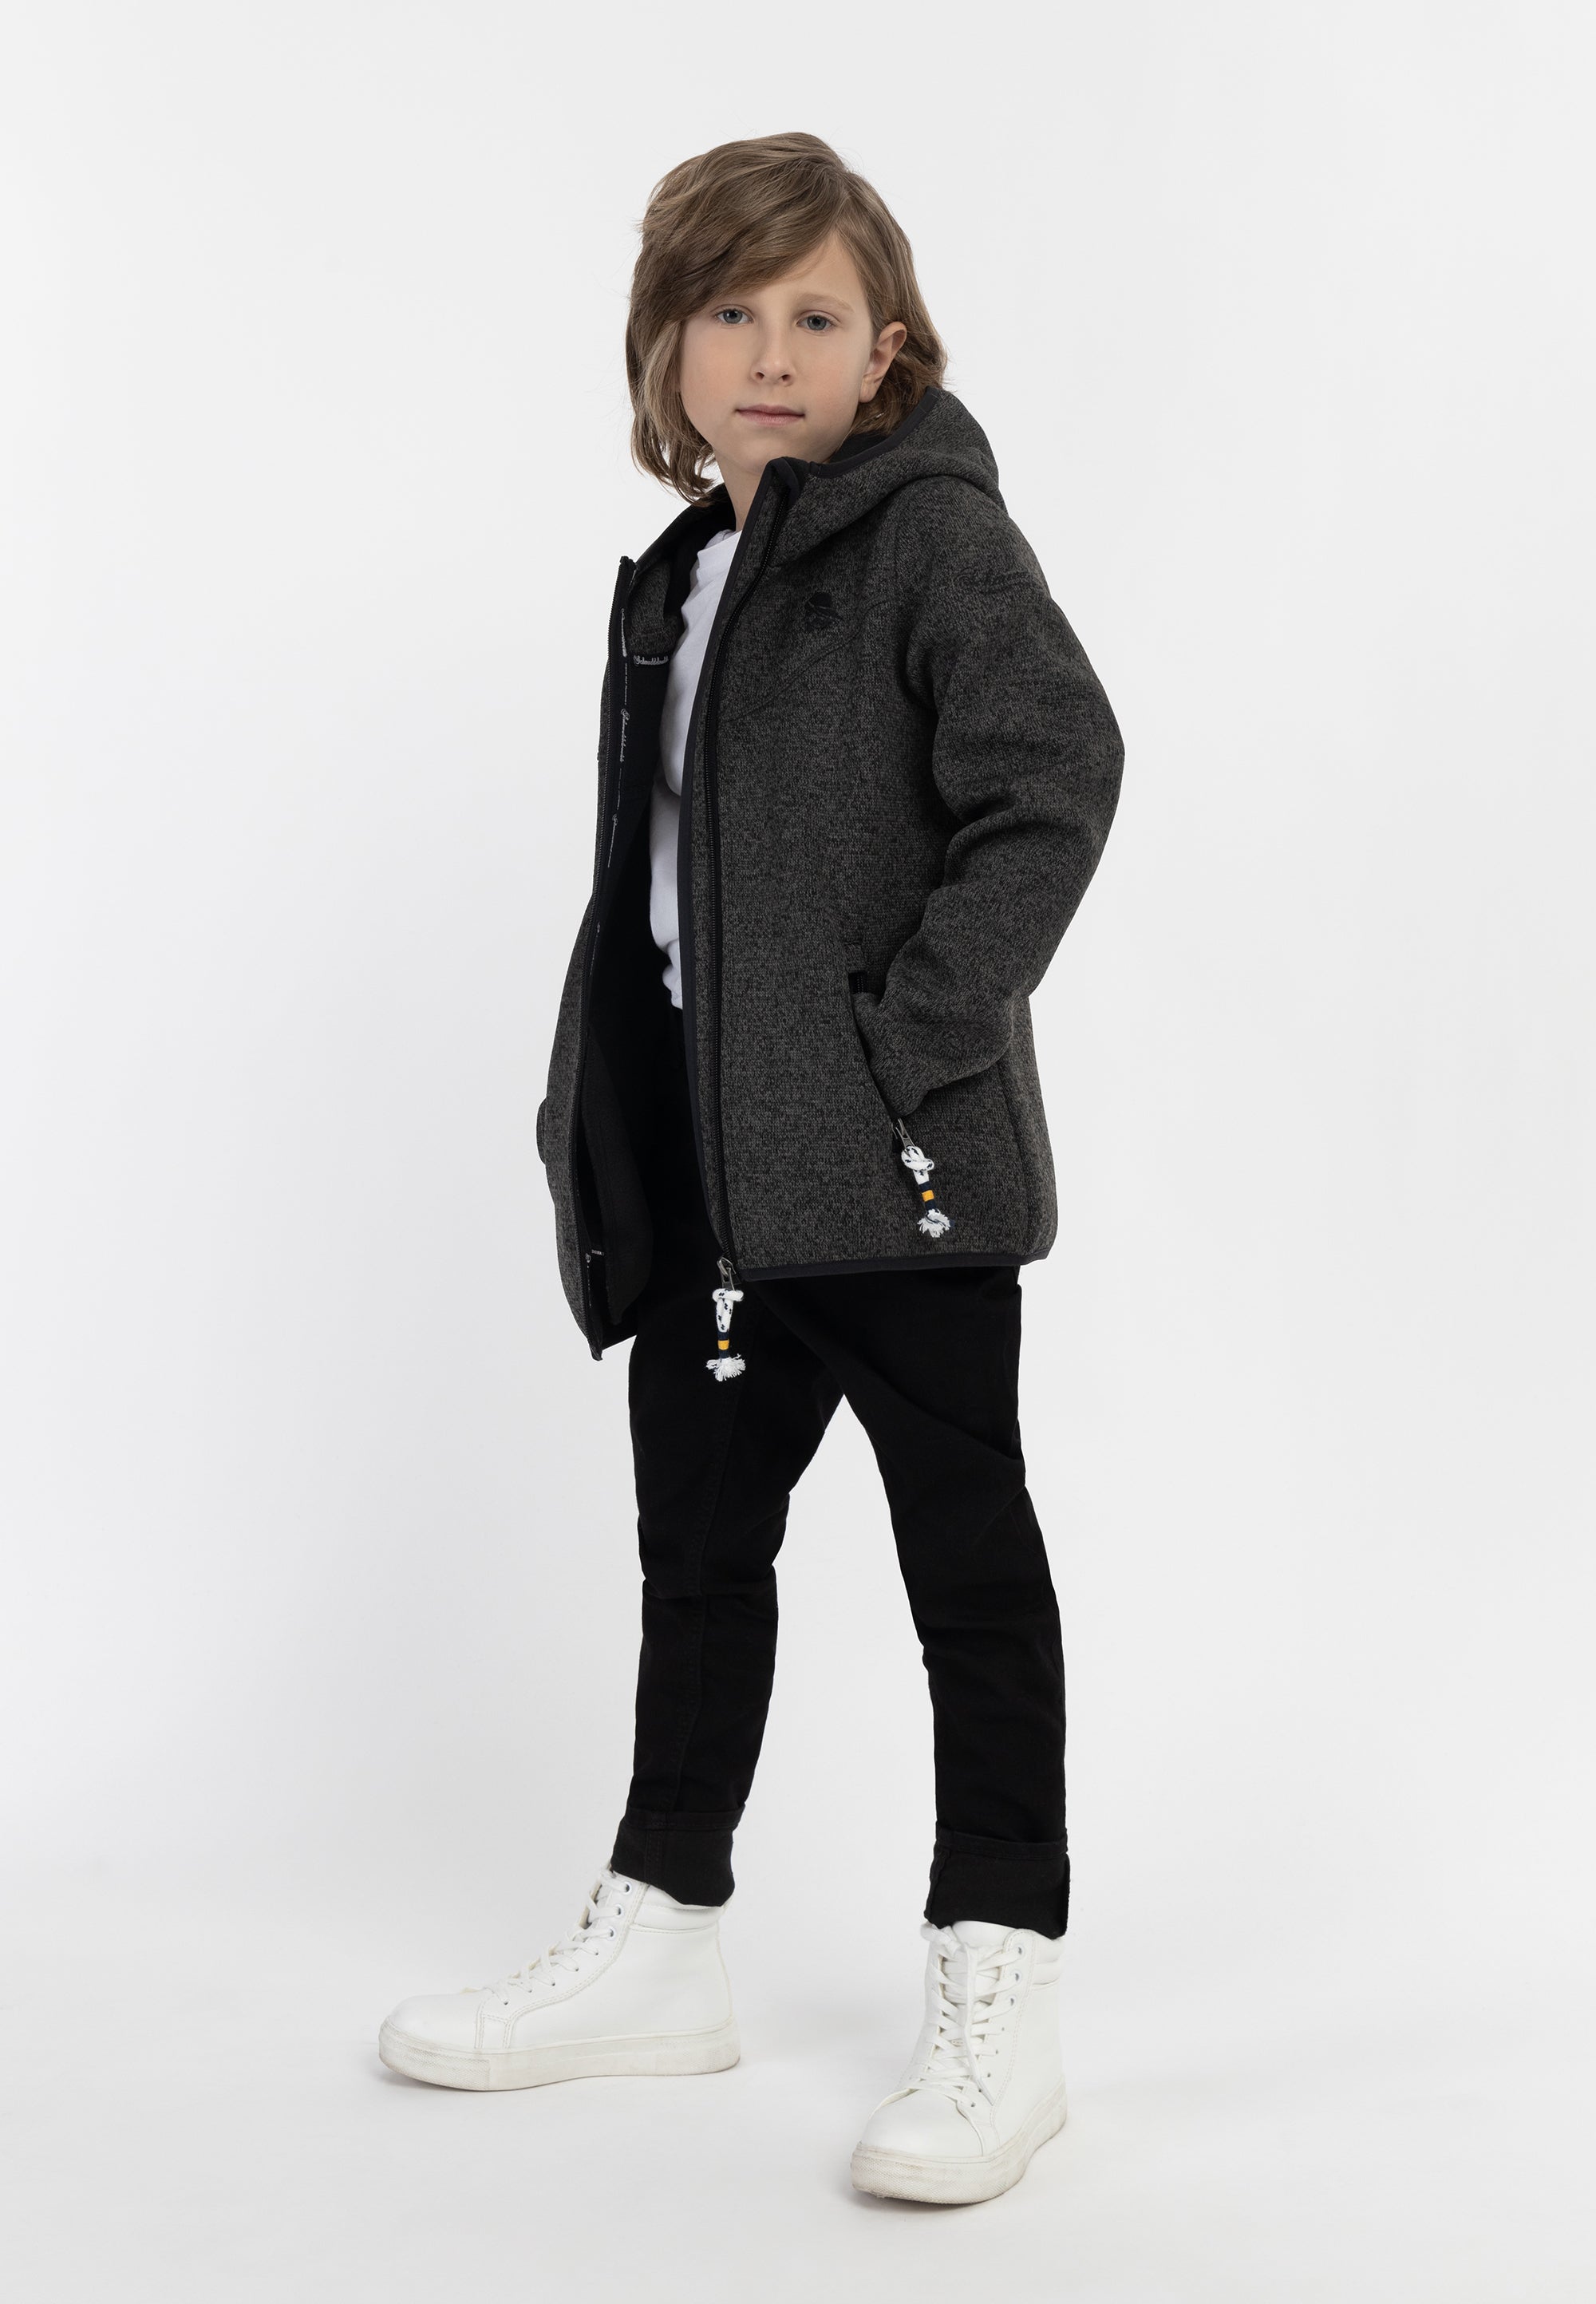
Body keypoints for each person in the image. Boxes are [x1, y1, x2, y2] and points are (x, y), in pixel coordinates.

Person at [378, 132, 1124, 2207]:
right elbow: (656, 883)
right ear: (669, 350)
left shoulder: (929, 542)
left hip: (892, 1173)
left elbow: (1058, 776)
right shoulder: (684, 575)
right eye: (731, 311)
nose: (773, 352)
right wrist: (609, 1107)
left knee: (966, 1570)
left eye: (816, 314)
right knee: (699, 1555)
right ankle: (664, 1936)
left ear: (888, 349)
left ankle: (1002, 1979)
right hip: (709, 1177)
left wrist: (906, 1041)